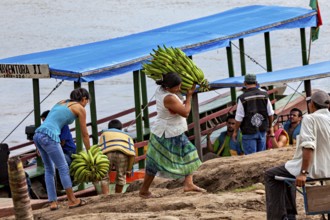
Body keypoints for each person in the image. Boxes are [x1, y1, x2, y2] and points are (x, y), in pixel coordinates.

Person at [264, 90, 330, 220]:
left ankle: (280, 217)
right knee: (287, 175)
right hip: (328, 168)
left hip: (315, 169)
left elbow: (308, 146)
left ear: (311, 105)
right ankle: (289, 214)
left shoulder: (310, 118)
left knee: (271, 175)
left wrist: (303, 172)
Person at [139, 72, 205, 198]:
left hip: (172, 131)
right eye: (177, 87)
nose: (179, 89)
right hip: (166, 132)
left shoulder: (160, 89)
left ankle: (188, 183)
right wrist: (189, 96)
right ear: (168, 88)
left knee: (189, 153)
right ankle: (144, 190)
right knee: (154, 163)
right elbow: (185, 112)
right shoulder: (169, 98)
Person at [33, 88, 90, 210]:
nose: (86, 104)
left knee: (49, 169)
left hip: (38, 134)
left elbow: (55, 119)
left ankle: (53, 203)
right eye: (87, 101)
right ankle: (72, 200)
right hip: (49, 136)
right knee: (63, 168)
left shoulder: (62, 102)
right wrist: (90, 151)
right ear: (84, 99)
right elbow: (84, 134)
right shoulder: (80, 108)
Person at [233, 73, 274, 155]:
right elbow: (270, 113)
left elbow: (239, 118)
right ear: (256, 82)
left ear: (245, 83)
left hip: (249, 131)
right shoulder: (265, 95)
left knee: (251, 157)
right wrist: (270, 127)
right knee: (261, 156)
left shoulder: (242, 98)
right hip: (262, 130)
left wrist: (235, 132)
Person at [98, 119, 136, 194]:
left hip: (107, 153)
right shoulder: (127, 135)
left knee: (104, 177)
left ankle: (105, 196)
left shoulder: (104, 134)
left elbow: (99, 149)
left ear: (109, 128)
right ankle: (117, 196)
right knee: (121, 176)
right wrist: (129, 169)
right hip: (122, 154)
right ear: (121, 128)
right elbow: (132, 154)